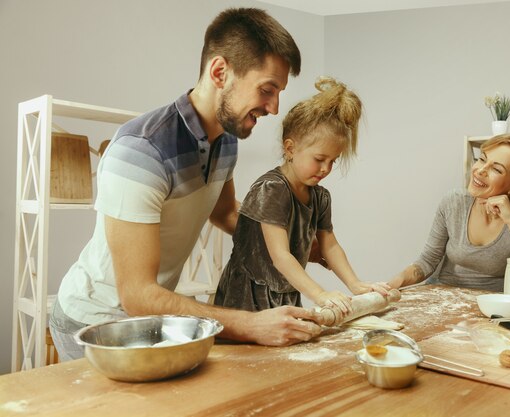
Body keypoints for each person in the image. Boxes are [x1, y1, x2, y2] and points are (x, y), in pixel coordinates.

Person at [49, 7, 324, 362]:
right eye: (267, 90)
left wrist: (289, 241)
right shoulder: (142, 151)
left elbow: (225, 213)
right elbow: (138, 294)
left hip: (145, 317)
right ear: (220, 72)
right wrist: (251, 325)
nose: (273, 108)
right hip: (92, 322)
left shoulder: (226, 141)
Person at [215, 77, 390, 314]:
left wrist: (355, 284)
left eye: (332, 161)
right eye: (319, 159)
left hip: (285, 291)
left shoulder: (320, 197)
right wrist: (320, 294)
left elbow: (330, 246)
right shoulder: (272, 190)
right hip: (247, 298)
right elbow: (281, 256)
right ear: (290, 148)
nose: (326, 169)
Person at [388, 134, 510, 292]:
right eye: (482, 159)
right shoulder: (454, 202)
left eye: (497, 169)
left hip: (492, 307)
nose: (480, 170)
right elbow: (427, 262)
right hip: (441, 298)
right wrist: (395, 282)